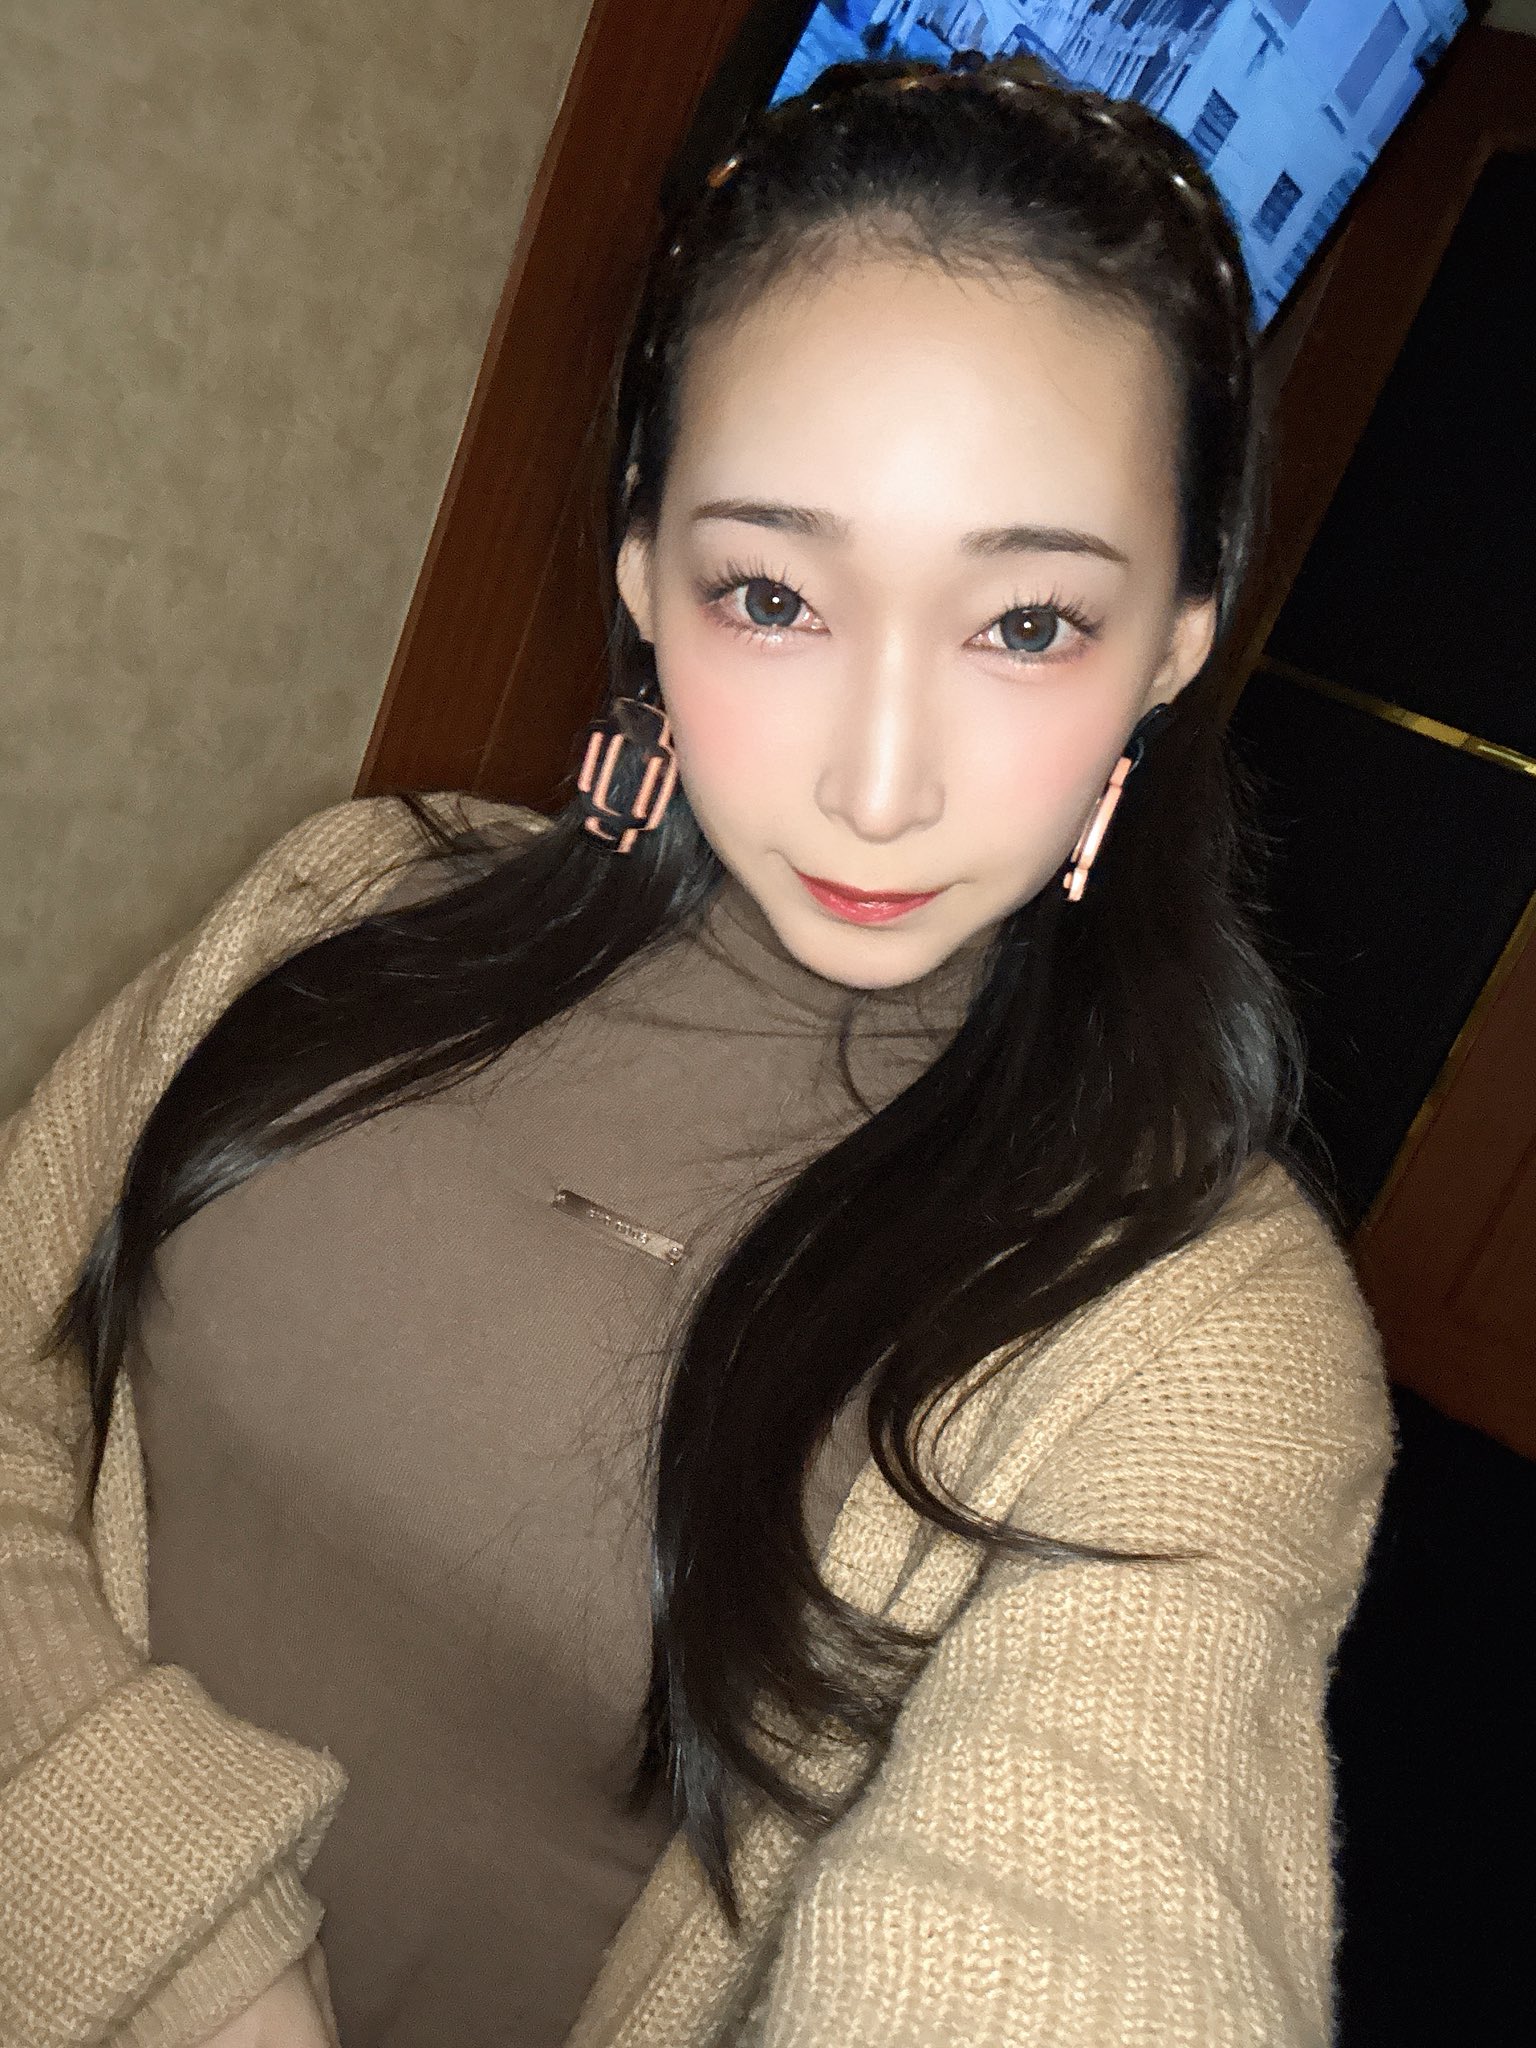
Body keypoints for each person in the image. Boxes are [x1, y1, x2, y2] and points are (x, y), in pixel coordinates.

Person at [0, 50, 1393, 2048]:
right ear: (646, 575)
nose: (881, 783)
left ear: (1172, 643)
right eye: (774, 594)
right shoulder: (335, 901)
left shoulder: (1195, 1319)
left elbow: (1101, 1890)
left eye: (1025, 625)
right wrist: (171, 1944)